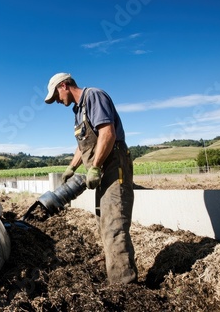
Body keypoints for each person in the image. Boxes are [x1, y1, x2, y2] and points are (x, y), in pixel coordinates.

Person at [44, 72, 138, 284]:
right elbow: (83, 145)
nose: (57, 101)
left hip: (114, 166)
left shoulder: (93, 96)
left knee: (115, 224)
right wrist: (71, 168)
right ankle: (114, 270)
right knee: (103, 221)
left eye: (56, 96)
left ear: (64, 86)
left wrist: (94, 167)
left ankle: (124, 284)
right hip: (103, 170)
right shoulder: (79, 111)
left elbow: (107, 133)